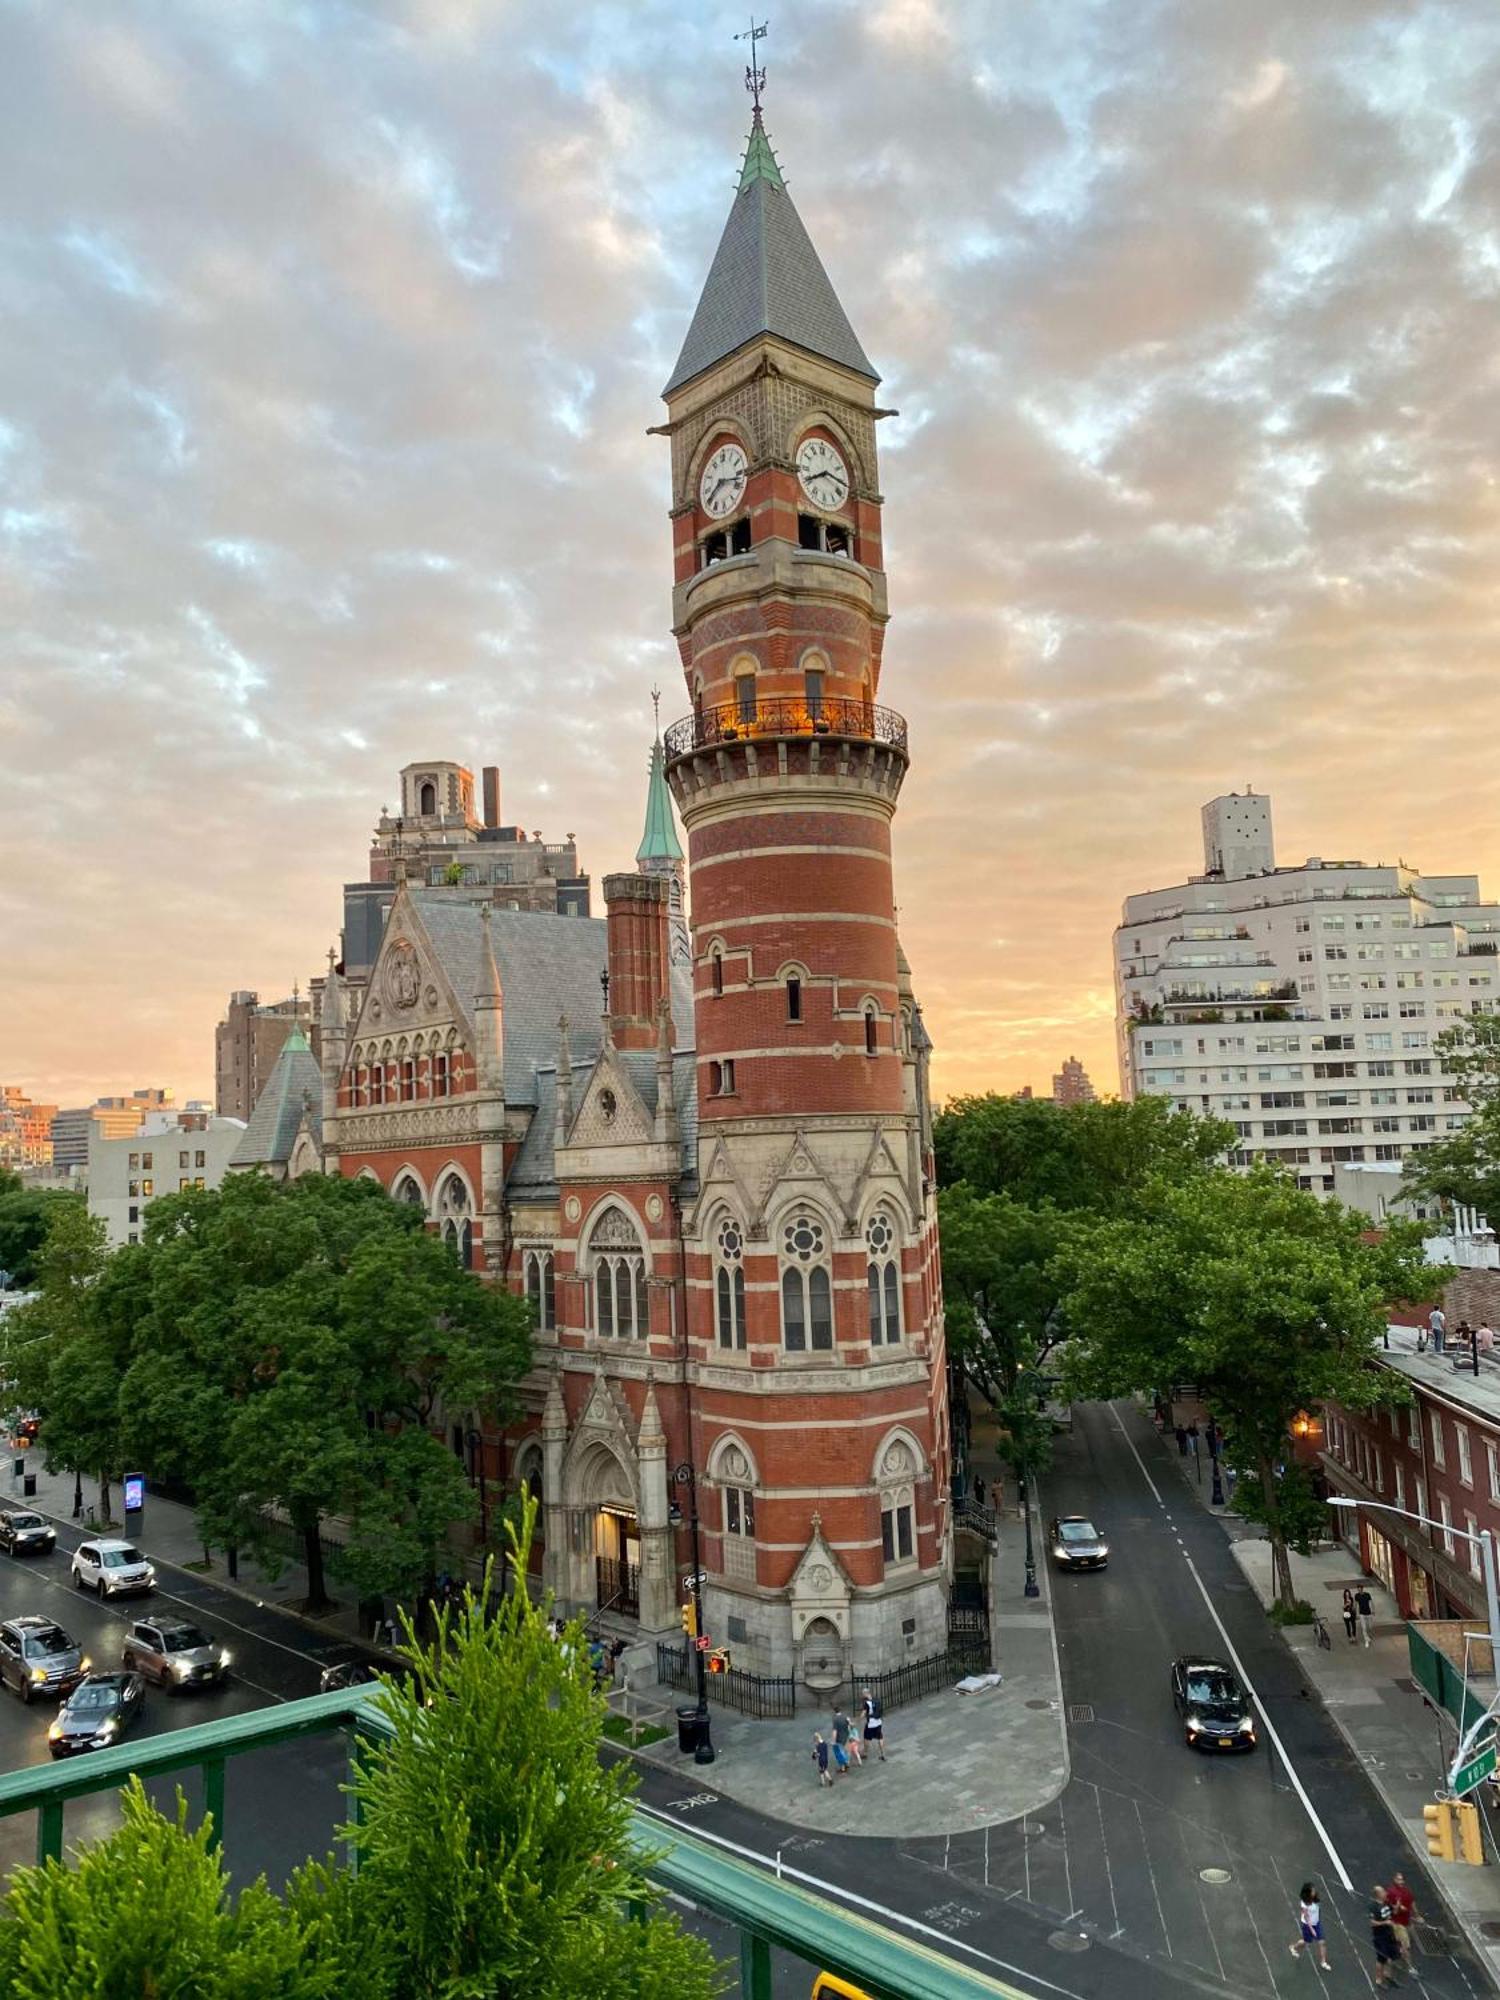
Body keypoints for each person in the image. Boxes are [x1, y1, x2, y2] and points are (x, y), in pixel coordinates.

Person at [1290, 1881, 1330, 1971]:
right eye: (1312, 1891)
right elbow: (1306, 1916)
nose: (1314, 1891)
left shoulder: (1316, 1899)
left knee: (1322, 1942)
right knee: (1305, 1942)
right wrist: (1311, 1929)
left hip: (1317, 1923)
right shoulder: (1304, 1903)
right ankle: (1293, 1947)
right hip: (1308, 1925)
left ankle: (1323, 1962)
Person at [1370, 1885, 1401, 1987]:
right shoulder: (1374, 1907)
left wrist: (1397, 1905)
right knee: (1381, 1959)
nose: (1385, 1893)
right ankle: (1378, 1980)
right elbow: (1372, 1923)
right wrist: (1385, 1923)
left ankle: (1388, 1975)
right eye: (1383, 1892)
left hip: (1390, 1935)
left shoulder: (1387, 1903)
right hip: (1380, 1938)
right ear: (1378, 1895)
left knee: (1392, 1956)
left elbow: (1394, 1912)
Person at [1387, 1871, 1417, 1965]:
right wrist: (1398, 1907)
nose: (1401, 1881)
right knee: (1405, 1945)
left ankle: (1392, 1956)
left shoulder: (1406, 1891)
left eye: (1402, 1879)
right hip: (1397, 1923)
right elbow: (1390, 1908)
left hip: (1406, 1921)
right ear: (1394, 1880)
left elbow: (1412, 1902)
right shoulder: (1391, 1892)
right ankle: (1410, 1966)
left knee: (1398, 1942)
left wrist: (1417, 1915)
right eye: (1399, 1879)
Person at [859, 1687, 886, 1761]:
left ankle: (865, 1753)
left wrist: (858, 1719)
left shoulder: (867, 1703)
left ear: (865, 1693)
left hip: (871, 1723)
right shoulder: (877, 1700)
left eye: (863, 1694)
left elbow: (863, 1714)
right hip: (879, 1722)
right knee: (880, 1737)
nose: (862, 1695)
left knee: (866, 1738)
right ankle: (883, 1754)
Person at [832, 1706, 860, 1770]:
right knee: (846, 1750)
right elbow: (852, 1725)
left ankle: (843, 1768)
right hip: (846, 1737)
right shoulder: (845, 1717)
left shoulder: (835, 1719)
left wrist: (833, 1741)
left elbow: (834, 1731)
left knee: (840, 1752)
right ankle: (847, 1763)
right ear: (840, 1710)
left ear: (834, 1711)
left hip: (839, 1738)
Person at [1355, 1583, 1375, 1648]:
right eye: (1358, 1590)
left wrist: (1373, 1610)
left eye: (1360, 1589)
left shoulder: (1367, 1594)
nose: (1359, 1591)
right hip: (1362, 1614)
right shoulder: (1357, 1596)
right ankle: (1366, 1640)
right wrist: (1356, 1613)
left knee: (1370, 1626)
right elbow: (1356, 1604)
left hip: (1368, 1613)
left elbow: (1371, 1602)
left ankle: (1369, 1636)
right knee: (1364, 1628)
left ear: (1362, 1589)